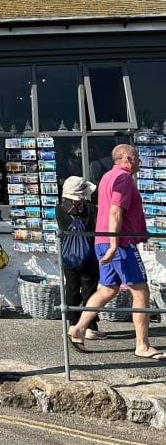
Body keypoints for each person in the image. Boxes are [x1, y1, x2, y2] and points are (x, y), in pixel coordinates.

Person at [67, 145, 165, 360]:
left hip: (103, 241)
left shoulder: (107, 177)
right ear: (128, 159)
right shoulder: (124, 179)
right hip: (119, 244)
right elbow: (114, 211)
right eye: (137, 157)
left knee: (108, 289)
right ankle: (142, 345)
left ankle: (78, 329)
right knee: (141, 292)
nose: (140, 161)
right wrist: (114, 244)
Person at [55, 176, 103, 340]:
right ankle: (89, 326)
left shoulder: (59, 208)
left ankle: (73, 324)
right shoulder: (91, 208)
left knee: (72, 289)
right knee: (89, 291)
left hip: (69, 256)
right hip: (89, 255)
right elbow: (97, 228)